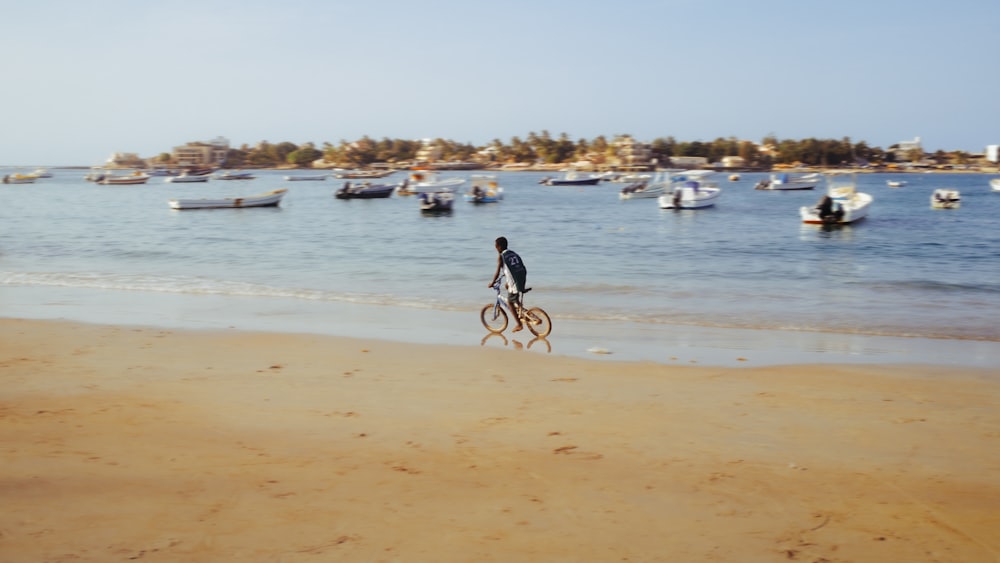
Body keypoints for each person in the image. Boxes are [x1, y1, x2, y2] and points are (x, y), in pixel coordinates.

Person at [489, 236, 528, 332]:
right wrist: (507, 281)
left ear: (499, 247)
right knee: (513, 295)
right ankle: (522, 311)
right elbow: (512, 268)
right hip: (522, 277)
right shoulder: (512, 253)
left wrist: (492, 282)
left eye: (496, 246)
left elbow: (498, 272)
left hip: (515, 282)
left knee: (510, 303)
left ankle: (519, 324)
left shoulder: (501, 256)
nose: (495, 248)